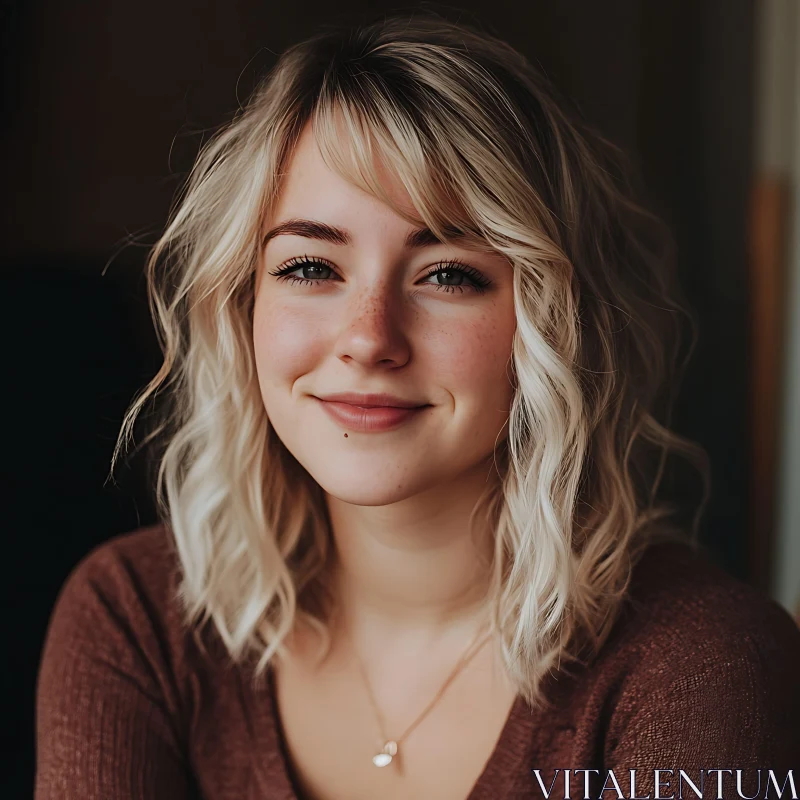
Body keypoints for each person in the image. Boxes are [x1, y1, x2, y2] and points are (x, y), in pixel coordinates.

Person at [35, 11, 800, 800]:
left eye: (447, 275)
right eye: (309, 267)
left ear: (553, 322)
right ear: (241, 304)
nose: (369, 339)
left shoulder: (705, 661)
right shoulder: (136, 622)